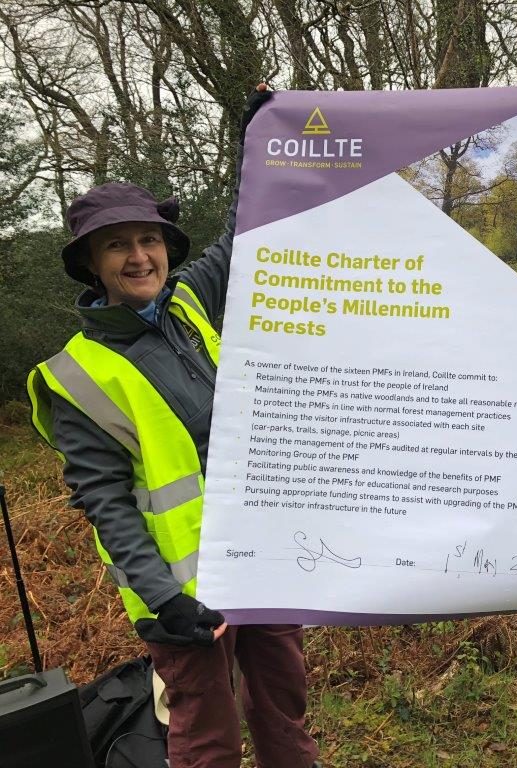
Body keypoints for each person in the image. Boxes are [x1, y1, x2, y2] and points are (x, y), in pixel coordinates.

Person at [26, 88, 321, 768]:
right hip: (183, 594)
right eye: (117, 245)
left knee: (285, 714)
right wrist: (164, 599)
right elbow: (106, 507)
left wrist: (265, 144)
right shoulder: (77, 374)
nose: (138, 257)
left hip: (259, 557)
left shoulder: (188, 303)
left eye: (148, 239)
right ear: (92, 263)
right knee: (207, 740)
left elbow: (248, 228)